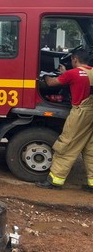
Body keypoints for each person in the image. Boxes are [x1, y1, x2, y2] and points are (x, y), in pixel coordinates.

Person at [37, 48, 93, 192]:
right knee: (90, 149)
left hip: (80, 113)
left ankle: (55, 181)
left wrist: (44, 76)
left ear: (74, 59)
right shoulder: (90, 72)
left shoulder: (73, 73)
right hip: (91, 113)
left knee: (66, 145)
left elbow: (51, 83)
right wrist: (65, 74)